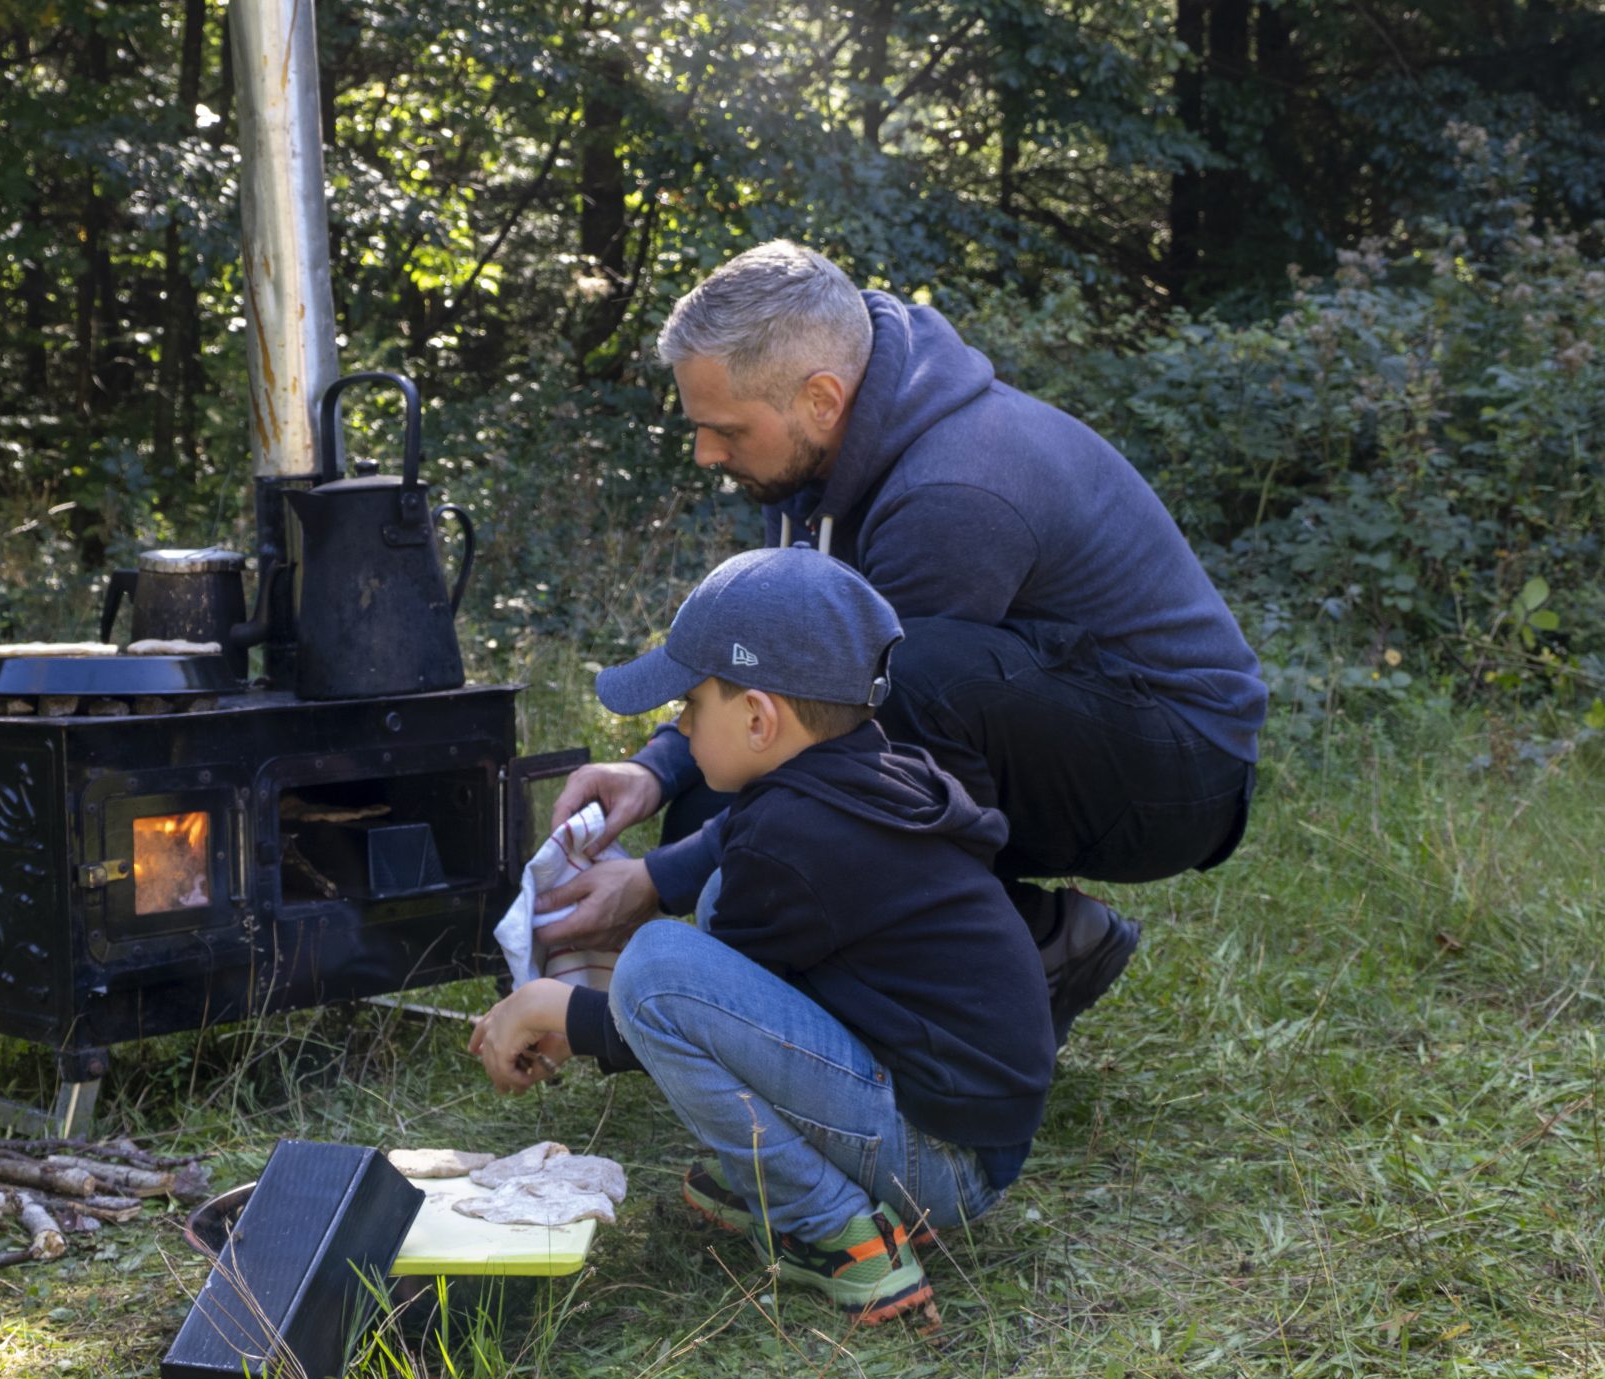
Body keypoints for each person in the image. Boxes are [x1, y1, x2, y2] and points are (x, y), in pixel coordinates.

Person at [537, 241, 1266, 1043]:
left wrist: (655, 883)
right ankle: (1037, 935)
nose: (709, 455)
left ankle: (1012, 968)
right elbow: (768, 663)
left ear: (821, 398)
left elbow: (856, 739)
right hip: (1040, 712)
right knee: (719, 790)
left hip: (1174, 763)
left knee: (887, 701)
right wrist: (656, 769)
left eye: (725, 431)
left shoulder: (952, 493)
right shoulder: (818, 451)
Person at [470, 547, 1054, 1323]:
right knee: (710, 908)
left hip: (941, 1161)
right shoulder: (857, 780)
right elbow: (738, 967)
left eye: (688, 707)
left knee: (655, 969)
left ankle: (836, 1232)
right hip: (965, 1132)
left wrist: (554, 1009)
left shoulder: (794, 840)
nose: (677, 725)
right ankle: (803, 1182)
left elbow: (672, 1012)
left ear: (757, 718)